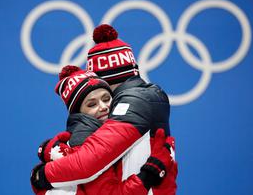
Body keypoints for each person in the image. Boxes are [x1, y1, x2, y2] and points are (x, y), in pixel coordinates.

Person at [31, 24, 177, 195]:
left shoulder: (135, 100)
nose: (103, 106)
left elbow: (87, 164)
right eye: (91, 104)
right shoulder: (85, 135)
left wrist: (42, 175)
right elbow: (88, 168)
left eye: (106, 98)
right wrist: (147, 176)